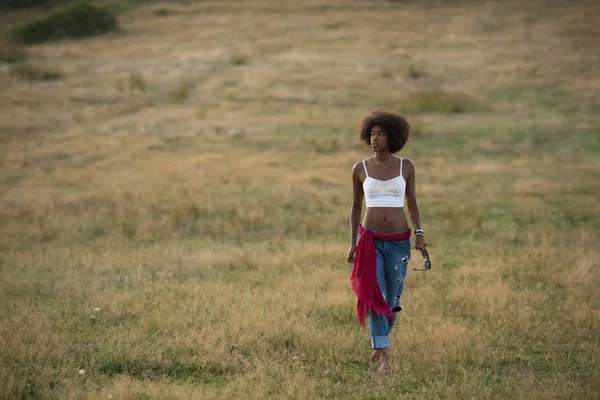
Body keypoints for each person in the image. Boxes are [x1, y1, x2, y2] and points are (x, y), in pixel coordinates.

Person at [347, 110, 427, 374]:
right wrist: (353, 244)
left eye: (380, 134)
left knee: (393, 300)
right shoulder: (360, 168)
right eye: (372, 134)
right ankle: (384, 355)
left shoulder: (406, 166)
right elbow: (355, 207)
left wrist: (419, 231)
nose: (375, 139)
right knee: (376, 296)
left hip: (398, 242)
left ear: (392, 137)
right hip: (369, 240)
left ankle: (378, 346)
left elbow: (412, 204)